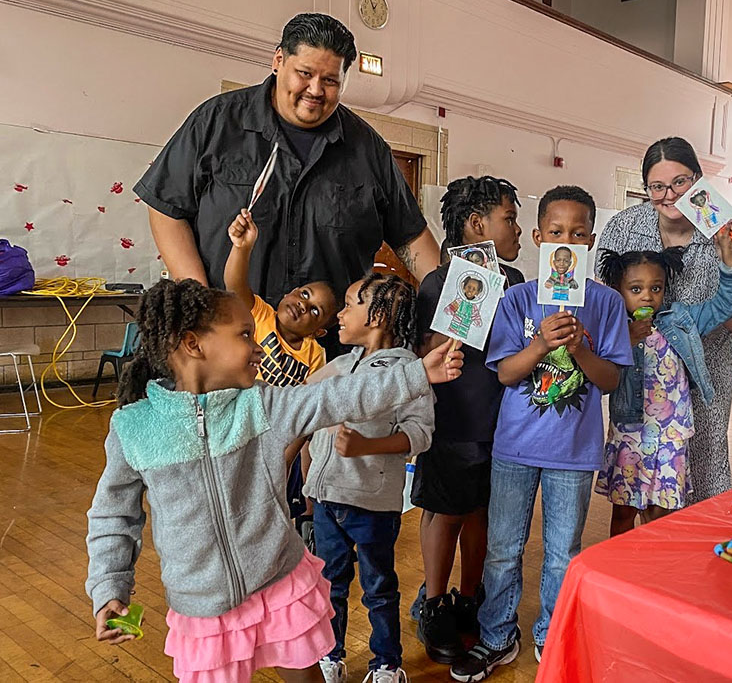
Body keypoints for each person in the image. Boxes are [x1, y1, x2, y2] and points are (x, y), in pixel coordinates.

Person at [85, 279, 463, 683]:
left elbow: (338, 396)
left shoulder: (261, 404)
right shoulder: (135, 427)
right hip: (203, 607)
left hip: (278, 583)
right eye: (244, 335)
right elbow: (112, 516)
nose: (259, 346)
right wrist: (109, 586)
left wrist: (417, 374)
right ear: (194, 345)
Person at [135, 13, 440, 329]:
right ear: (279, 60)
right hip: (227, 338)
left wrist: (449, 311)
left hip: (327, 354)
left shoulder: (368, 149)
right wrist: (200, 303)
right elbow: (166, 209)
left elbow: (411, 237)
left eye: (330, 80)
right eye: (305, 73)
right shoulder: (217, 122)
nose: (315, 90)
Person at [450, 186, 632, 681]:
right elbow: (506, 373)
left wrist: (579, 351)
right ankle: (495, 635)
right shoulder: (515, 299)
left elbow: (612, 379)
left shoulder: (606, 303)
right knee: (503, 546)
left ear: (590, 241)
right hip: (514, 447)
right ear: (538, 237)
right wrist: (540, 343)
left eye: (577, 233)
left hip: (572, 451)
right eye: (555, 232)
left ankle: (551, 636)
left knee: (562, 552)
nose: (565, 240)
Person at [598, 137, 732, 503]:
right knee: (635, 468)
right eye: (657, 186)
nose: (669, 195)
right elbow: (604, 305)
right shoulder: (623, 229)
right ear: (646, 188)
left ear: (699, 181)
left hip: (706, 368)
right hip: (638, 371)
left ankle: (700, 544)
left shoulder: (723, 233)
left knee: (706, 458)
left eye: (680, 182)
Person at [411, 176, 525, 664]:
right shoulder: (439, 282)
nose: (517, 230)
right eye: (510, 219)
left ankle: (469, 596)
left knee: (484, 512)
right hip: (452, 419)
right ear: (477, 224)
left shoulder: (517, 282)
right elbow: (420, 351)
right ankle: (434, 602)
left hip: (503, 423)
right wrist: (456, 324)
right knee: (446, 510)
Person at [304, 272, 434, 683]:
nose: (340, 314)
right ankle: (331, 654)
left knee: (378, 586)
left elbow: (420, 433)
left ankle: (386, 664)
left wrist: (365, 447)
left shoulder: (409, 369)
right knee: (330, 583)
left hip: (371, 503)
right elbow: (301, 403)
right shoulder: (340, 364)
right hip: (325, 500)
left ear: (377, 316)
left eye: (349, 304)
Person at [596, 234, 732, 536]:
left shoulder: (679, 320)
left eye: (656, 288)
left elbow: (726, 304)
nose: (647, 297)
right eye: (635, 289)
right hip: (630, 435)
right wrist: (626, 338)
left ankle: (652, 573)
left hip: (671, 436)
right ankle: (620, 570)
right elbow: (601, 372)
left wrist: (730, 262)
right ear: (618, 291)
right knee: (623, 514)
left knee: (660, 516)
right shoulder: (614, 331)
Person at [225, 208, 338, 547]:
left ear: (319, 330)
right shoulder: (260, 314)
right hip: (238, 426)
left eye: (314, 309)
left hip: (278, 440)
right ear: (290, 292)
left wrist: (285, 460)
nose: (304, 305)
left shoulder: (315, 356)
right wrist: (242, 248)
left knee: (271, 509)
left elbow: (305, 416)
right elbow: (234, 285)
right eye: (304, 294)